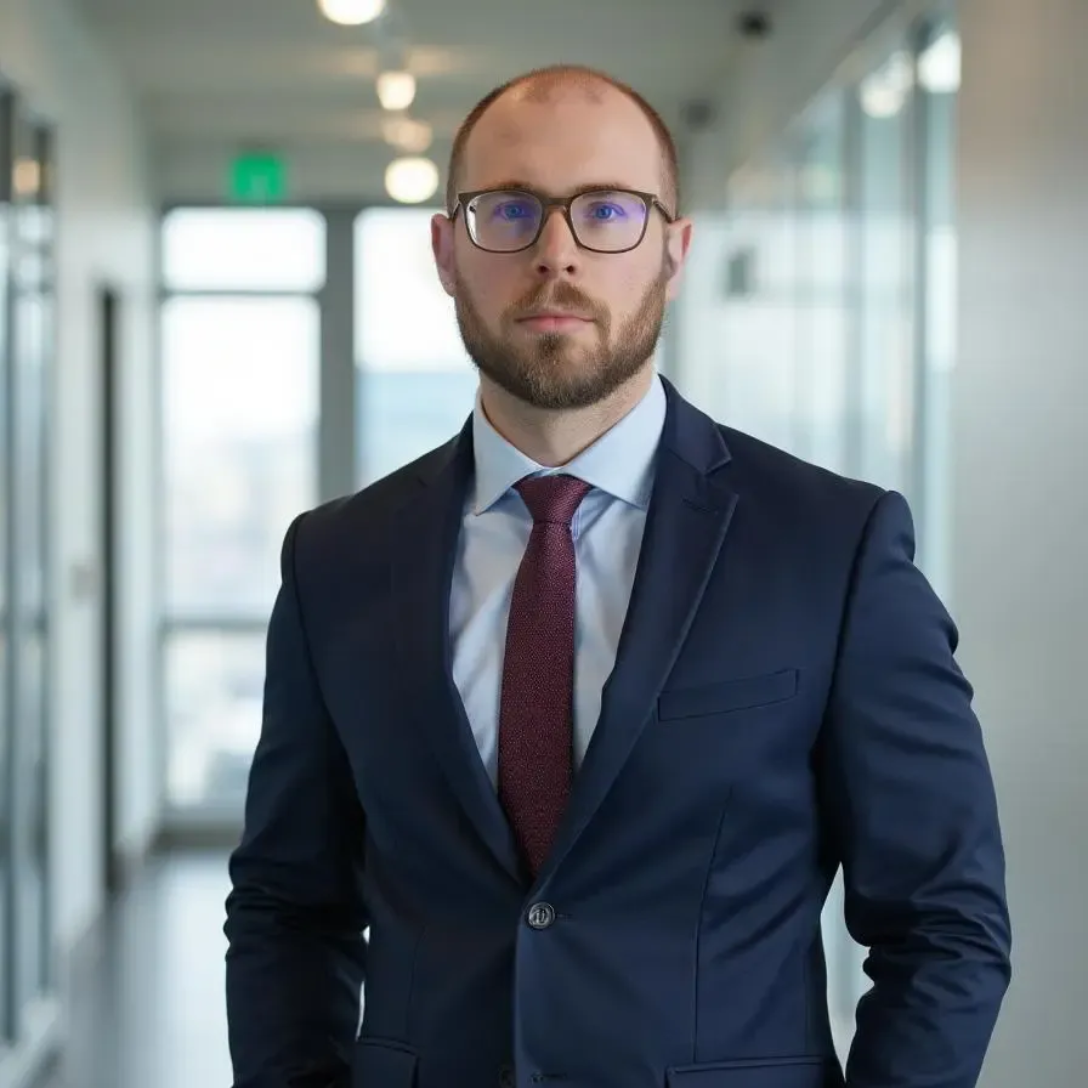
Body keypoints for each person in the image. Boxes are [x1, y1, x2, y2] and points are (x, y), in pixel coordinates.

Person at [224, 65, 1011, 1088]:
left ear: (673, 251)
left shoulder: (831, 546)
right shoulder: (335, 558)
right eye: (506, 209)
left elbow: (942, 924)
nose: (555, 253)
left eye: (606, 209)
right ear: (445, 250)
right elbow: (289, 904)